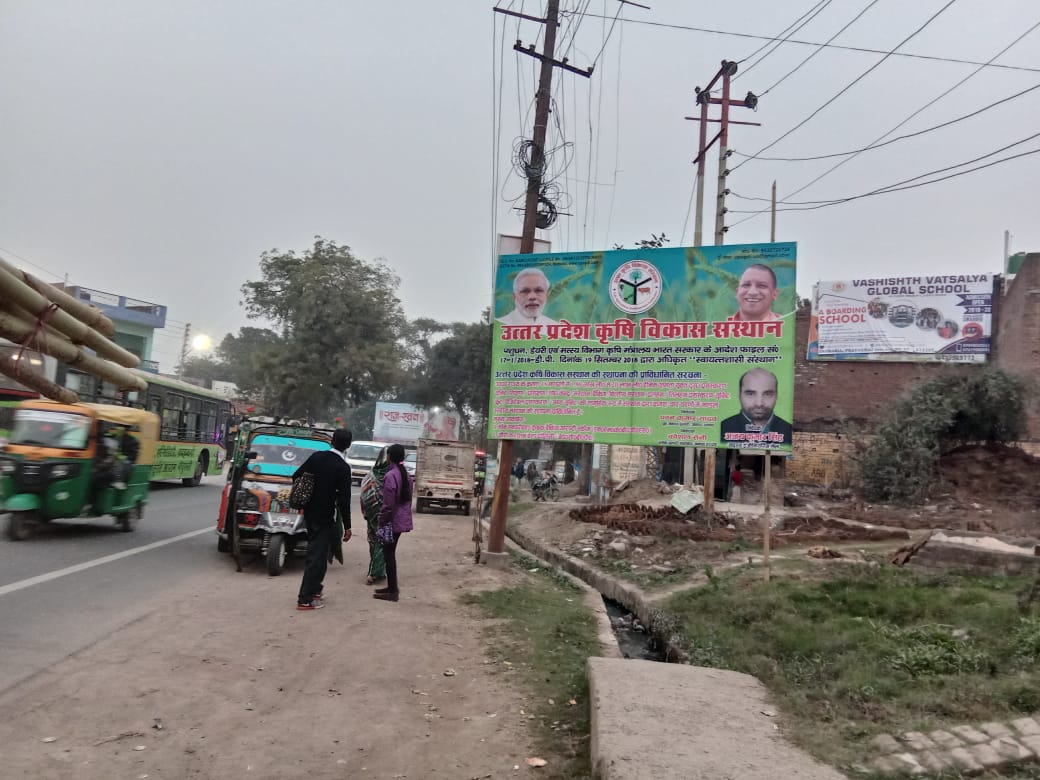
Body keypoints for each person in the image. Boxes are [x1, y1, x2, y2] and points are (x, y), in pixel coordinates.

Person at [294, 428, 353, 611]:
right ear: (348, 446)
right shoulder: (343, 468)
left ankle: (316, 590)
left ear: (332, 441)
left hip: (310, 513)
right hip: (326, 516)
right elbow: (344, 500)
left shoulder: (316, 457)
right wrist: (348, 526)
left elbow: (296, 475)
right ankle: (305, 599)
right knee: (317, 557)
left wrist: (309, 495)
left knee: (321, 552)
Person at [373, 443, 414, 603]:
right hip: (401, 520)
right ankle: (391, 588)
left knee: (388, 554)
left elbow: (388, 505)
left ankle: (393, 591)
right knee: (390, 553)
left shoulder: (391, 476)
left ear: (389, 457)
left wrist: (381, 521)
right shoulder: (406, 476)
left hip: (391, 520)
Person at [719, 368, 792, 446]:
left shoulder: (788, 430)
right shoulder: (722, 428)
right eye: (750, 394)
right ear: (739, 395)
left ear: (777, 396)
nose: (759, 403)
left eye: (767, 394)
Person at [359, 448, 392, 587]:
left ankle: (379, 571)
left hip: (370, 512)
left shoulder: (371, 474)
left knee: (373, 540)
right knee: (383, 542)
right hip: (385, 513)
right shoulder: (392, 475)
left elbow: (363, 494)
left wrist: (365, 511)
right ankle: (373, 573)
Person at [110, 425, 140, 491]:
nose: (118, 430)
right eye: (117, 427)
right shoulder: (113, 437)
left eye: (122, 429)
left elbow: (133, 456)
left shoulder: (133, 441)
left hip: (125, 464)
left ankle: (118, 480)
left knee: (123, 463)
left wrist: (122, 457)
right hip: (113, 461)